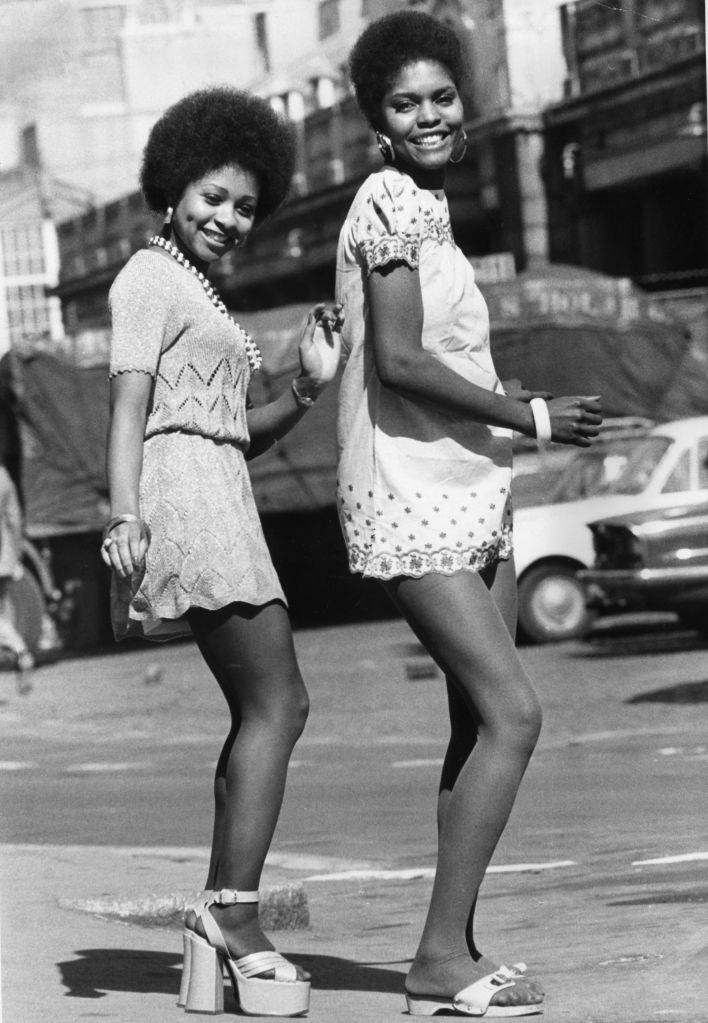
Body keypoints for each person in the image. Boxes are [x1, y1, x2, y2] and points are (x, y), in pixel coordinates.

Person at [335, 11, 602, 1018]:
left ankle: (456, 952)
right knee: (514, 713)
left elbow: (432, 356)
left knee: (471, 727)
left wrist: (499, 408)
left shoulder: (429, 209)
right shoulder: (388, 203)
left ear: (467, 100)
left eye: (441, 96)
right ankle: (439, 957)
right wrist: (528, 414)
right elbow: (399, 361)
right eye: (405, 104)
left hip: (461, 484)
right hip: (408, 497)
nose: (429, 114)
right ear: (378, 123)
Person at [102, 86, 342, 1017]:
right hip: (185, 505)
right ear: (172, 189)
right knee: (280, 700)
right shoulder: (148, 278)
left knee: (262, 705)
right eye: (212, 196)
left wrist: (308, 387)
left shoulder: (197, 288)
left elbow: (240, 431)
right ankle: (232, 918)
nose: (228, 217)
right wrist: (125, 514)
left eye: (245, 205)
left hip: (222, 493)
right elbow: (127, 402)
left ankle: (218, 924)